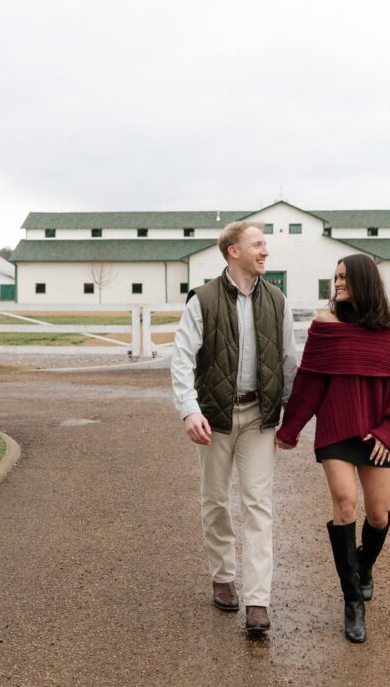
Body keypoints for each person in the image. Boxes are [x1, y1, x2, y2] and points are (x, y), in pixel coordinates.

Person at [171, 220, 297, 635]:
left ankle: (258, 600)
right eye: (257, 244)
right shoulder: (203, 300)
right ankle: (223, 577)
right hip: (215, 417)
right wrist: (189, 410)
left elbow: (289, 361)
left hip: (260, 417)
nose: (265, 251)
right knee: (215, 500)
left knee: (258, 505)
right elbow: (182, 358)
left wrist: (292, 417)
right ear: (234, 251)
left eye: (265, 245)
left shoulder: (277, 300)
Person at [276, 254, 390, 643]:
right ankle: (352, 602)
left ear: (364, 280)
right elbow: (310, 382)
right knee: (346, 504)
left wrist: (389, 431)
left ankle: (362, 567)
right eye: (335, 277)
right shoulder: (326, 324)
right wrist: (290, 428)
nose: (337, 284)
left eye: (344, 277)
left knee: (378, 516)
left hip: (376, 433)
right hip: (336, 428)